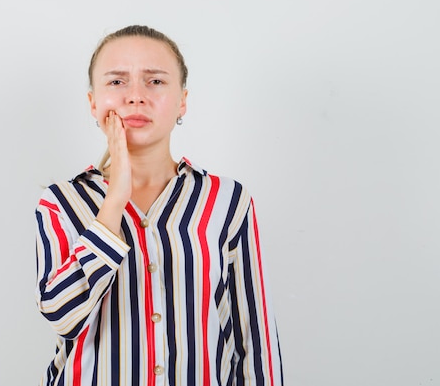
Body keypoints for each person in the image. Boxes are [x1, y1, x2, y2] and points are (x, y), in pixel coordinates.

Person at [34, 25, 283, 386]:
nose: (135, 96)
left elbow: (253, 340)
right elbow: (61, 316)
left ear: (182, 100)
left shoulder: (227, 202)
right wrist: (115, 199)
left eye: (155, 82)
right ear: (93, 102)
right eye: (117, 82)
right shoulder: (61, 202)